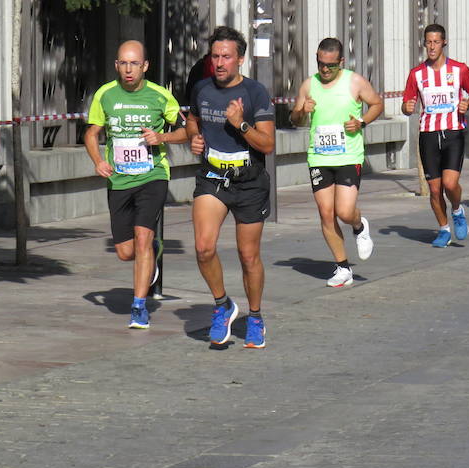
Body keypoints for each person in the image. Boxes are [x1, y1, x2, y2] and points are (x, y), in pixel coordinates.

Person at [84, 40, 187, 330]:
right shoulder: (105, 94)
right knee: (125, 252)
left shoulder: (160, 95)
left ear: (145, 66)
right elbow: (91, 134)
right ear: (117, 65)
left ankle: (139, 307)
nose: (128, 70)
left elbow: (187, 130)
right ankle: (153, 249)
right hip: (119, 179)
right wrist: (97, 161)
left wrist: (162, 138)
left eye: (134, 64)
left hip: (152, 175)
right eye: (123, 64)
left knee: (141, 239)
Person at [187, 27, 275, 349]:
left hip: (249, 180)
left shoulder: (255, 93)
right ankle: (222, 305)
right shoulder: (201, 88)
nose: (220, 62)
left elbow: (267, 144)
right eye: (215, 56)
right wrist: (193, 138)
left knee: (248, 255)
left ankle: (254, 316)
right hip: (212, 177)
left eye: (226, 56)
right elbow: (192, 121)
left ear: (240, 58)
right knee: (203, 248)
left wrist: (241, 124)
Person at [290, 38, 383, 287]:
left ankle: (359, 225)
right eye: (321, 64)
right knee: (326, 214)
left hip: (348, 155)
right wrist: (301, 110)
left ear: (341, 62)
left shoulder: (355, 81)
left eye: (330, 66)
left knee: (344, 212)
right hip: (319, 157)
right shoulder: (309, 85)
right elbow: (295, 120)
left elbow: (377, 104)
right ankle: (343, 268)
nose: (324, 70)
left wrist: (362, 122)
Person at [402, 23, 469, 247]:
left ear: (444, 42)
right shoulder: (416, 74)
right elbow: (407, 103)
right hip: (428, 134)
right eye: (428, 42)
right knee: (435, 189)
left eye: (436, 42)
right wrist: (406, 108)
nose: (432, 46)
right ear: (424, 44)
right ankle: (444, 229)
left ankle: (457, 210)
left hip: (453, 131)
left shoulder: (459, 69)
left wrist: (468, 103)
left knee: (450, 183)